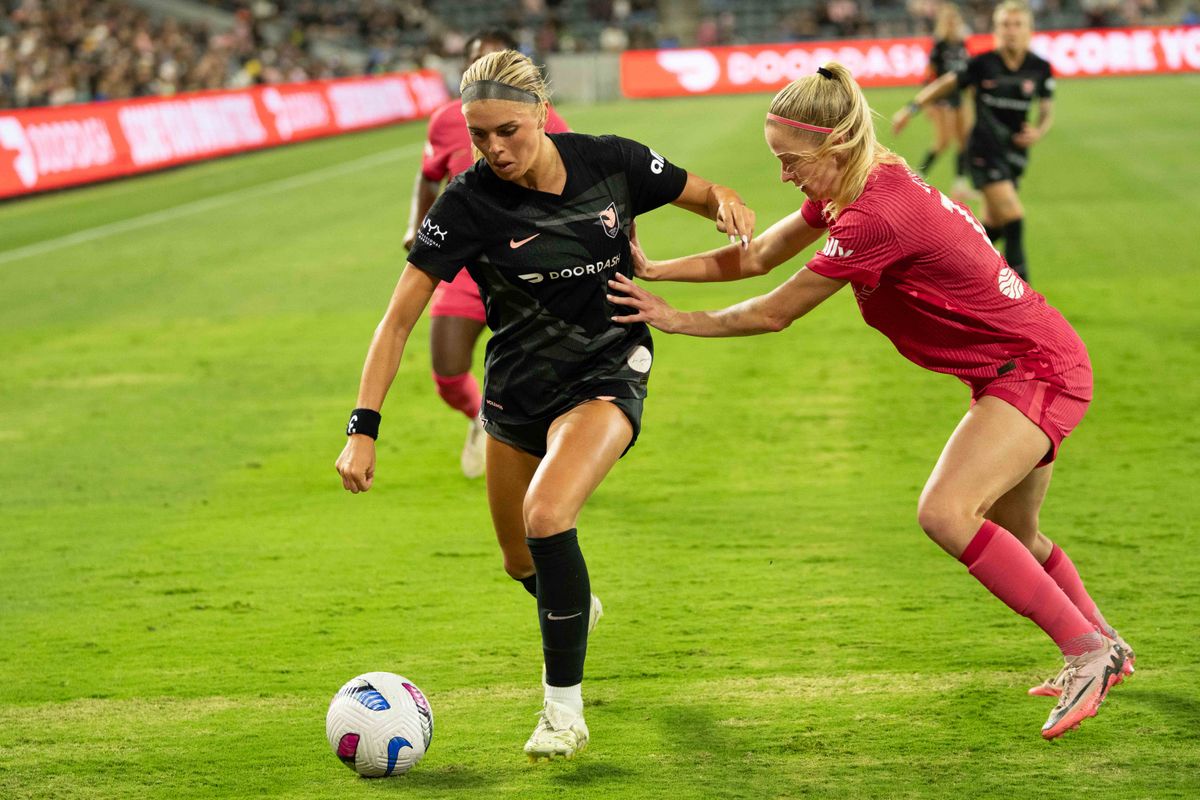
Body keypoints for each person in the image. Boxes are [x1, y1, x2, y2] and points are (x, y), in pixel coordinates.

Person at [608, 62, 1133, 741]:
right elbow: (761, 253)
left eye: (791, 161)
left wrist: (677, 317)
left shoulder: (874, 215)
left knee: (946, 513)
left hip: (1035, 370)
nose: (783, 175)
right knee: (1019, 533)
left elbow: (773, 311)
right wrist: (657, 269)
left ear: (835, 145)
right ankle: (1105, 645)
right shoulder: (863, 178)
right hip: (1021, 363)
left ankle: (1084, 652)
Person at [336, 49, 756, 760]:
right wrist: (363, 428)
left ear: (540, 112)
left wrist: (727, 204)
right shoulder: (466, 204)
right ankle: (571, 604)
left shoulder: (610, 161)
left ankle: (563, 714)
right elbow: (397, 320)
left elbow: (704, 190)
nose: (495, 148)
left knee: (547, 514)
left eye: (508, 130)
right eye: (479, 136)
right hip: (518, 388)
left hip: (610, 367)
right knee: (518, 558)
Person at [401, 30, 571, 479]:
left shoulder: (544, 119)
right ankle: (483, 418)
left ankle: (553, 458)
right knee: (447, 370)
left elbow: (574, 182)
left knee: (544, 377)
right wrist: (415, 227)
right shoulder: (444, 122)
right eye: (478, 62)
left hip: (529, 268)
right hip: (465, 267)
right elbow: (428, 175)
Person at [892, 0, 1053, 282]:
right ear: (996, 29)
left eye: (1017, 25)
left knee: (993, 226)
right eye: (1005, 25)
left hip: (1014, 155)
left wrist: (1038, 131)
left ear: (1029, 29)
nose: (1011, 31)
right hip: (983, 151)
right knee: (1014, 218)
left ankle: (945, 275)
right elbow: (945, 83)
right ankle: (1023, 297)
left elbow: (1046, 111)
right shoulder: (983, 64)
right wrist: (912, 108)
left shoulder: (1040, 68)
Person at [918, 3, 975, 201]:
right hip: (942, 99)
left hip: (959, 97)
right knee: (943, 142)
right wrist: (927, 103)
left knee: (964, 141)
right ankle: (918, 177)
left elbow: (968, 72)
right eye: (948, 21)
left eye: (954, 20)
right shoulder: (939, 46)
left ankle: (960, 184)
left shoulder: (961, 45)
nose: (952, 24)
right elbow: (928, 75)